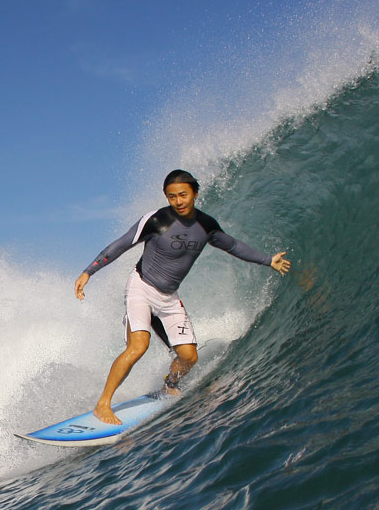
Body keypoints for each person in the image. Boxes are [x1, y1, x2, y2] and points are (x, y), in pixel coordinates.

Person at [74, 169, 291, 425]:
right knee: (138, 346)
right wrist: (89, 271)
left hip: (168, 296)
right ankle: (103, 405)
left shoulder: (206, 226)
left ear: (195, 193)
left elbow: (232, 246)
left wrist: (268, 260)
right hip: (141, 287)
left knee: (189, 357)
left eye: (183, 195)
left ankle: (170, 384)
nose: (178, 201)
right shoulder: (156, 220)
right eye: (172, 196)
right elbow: (121, 244)